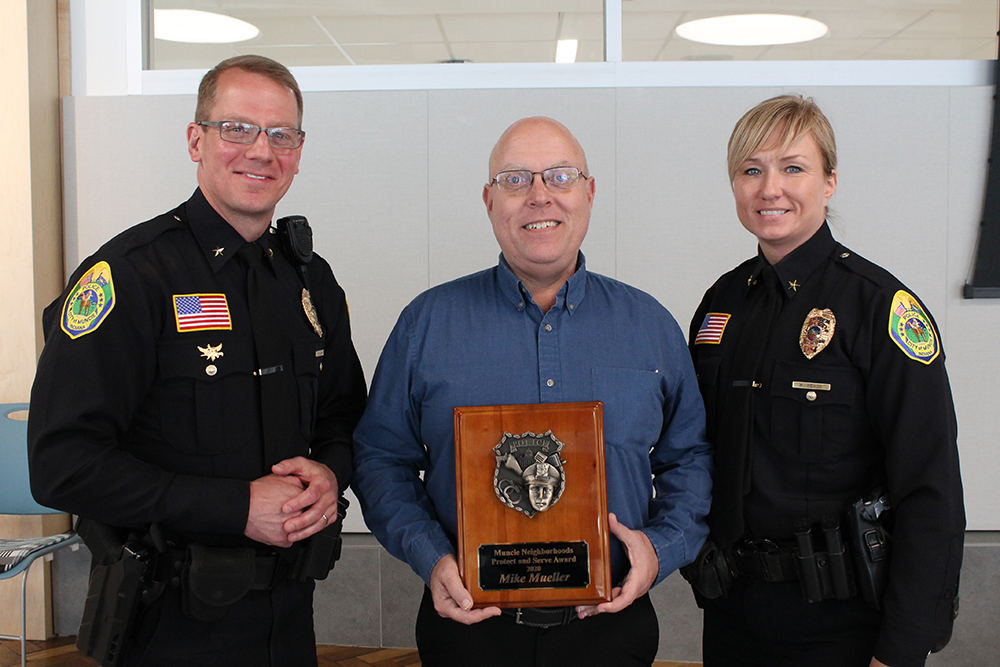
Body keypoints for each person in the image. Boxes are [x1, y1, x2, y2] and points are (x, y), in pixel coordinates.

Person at [27, 55, 367, 666]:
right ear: (196, 140)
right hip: (169, 624)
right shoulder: (129, 277)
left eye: (280, 135)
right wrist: (235, 506)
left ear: (298, 149)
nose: (261, 151)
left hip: (289, 617)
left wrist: (331, 474)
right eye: (238, 129)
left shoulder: (310, 283)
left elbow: (344, 417)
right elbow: (61, 464)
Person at [352, 116, 713, 666]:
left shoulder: (649, 325)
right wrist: (432, 557)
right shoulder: (426, 324)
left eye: (560, 177)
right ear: (489, 200)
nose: (539, 197)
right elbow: (380, 459)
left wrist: (660, 550)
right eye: (516, 180)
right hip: (470, 631)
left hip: (611, 628)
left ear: (589, 193)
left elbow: (690, 457)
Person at [686, 95, 964, 667]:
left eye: (793, 168)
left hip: (843, 628)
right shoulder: (723, 305)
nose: (770, 189)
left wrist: (904, 647)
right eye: (751, 170)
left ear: (830, 182)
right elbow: (697, 453)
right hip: (734, 617)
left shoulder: (880, 309)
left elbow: (929, 489)